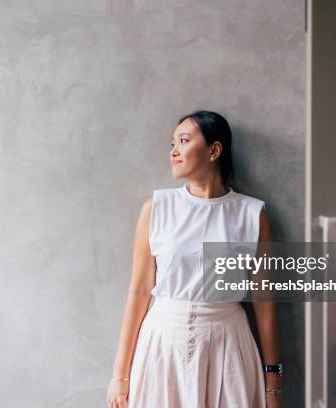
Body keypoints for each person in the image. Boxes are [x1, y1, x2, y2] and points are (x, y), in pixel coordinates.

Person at [106, 110, 282, 408]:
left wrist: (273, 384)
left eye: (184, 141)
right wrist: (119, 375)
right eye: (172, 143)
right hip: (162, 345)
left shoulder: (251, 214)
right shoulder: (156, 208)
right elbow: (138, 293)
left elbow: (265, 303)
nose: (174, 150)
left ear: (214, 150)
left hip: (229, 347)